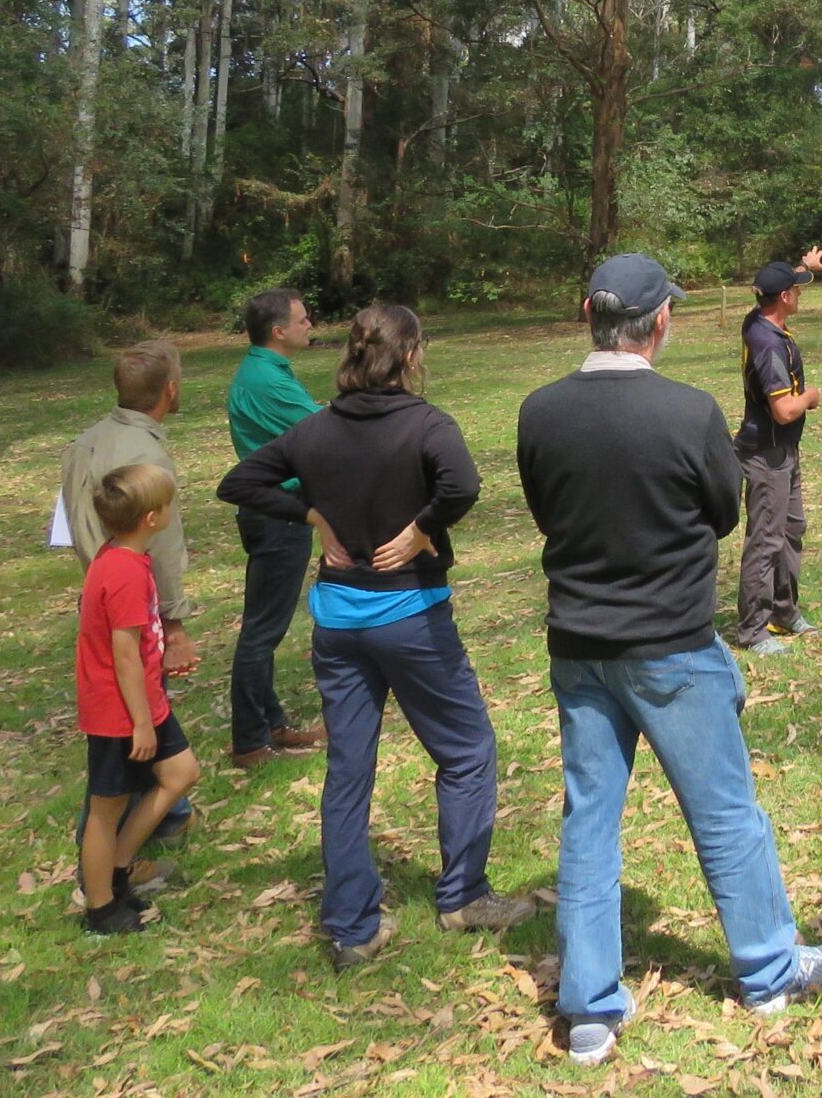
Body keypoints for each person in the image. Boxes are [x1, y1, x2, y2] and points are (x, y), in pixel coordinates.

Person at [516, 254, 822, 1067]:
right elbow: (722, 511)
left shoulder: (540, 411)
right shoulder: (687, 411)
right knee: (727, 811)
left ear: (588, 316)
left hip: (580, 647)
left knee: (589, 819)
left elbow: (545, 507)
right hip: (670, 645)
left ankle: (589, 1005)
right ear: (659, 321)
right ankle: (770, 970)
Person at [218, 305, 531, 971]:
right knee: (467, 749)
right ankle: (464, 895)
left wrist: (311, 513)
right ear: (410, 353)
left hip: (338, 625)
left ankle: (352, 926)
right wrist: (421, 528)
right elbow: (464, 484)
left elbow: (241, 481)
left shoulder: (313, 431)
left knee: (349, 769)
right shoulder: (427, 425)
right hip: (411, 620)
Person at [61, 340, 199, 862]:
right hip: (131, 610)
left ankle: (160, 823)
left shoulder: (86, 441)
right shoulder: (147, 459)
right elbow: (161, 550)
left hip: (100, 596)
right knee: (124, 739)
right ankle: (110, 861)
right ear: (169, 389)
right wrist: (176, 626)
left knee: (130, 730)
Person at [75, 463, 204, 935]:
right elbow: (123, 654)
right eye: (169, 502)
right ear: (151, 517)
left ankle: (118, 866)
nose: (172, 508)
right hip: (121, 713)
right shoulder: (123, 570)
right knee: (106, 808)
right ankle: (101, 907)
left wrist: (163, 656)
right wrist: (142, 723)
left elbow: (139, 643)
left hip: (144, 701)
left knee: (181, 773)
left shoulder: (121, 557)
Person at [225, 288, 329, 770]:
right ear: (278, 331)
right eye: (304, 321)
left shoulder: (267, 373)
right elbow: (322, 430)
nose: (311, 326)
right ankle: (249, 741)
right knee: (262, 631)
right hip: (276, 512)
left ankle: (271, 723)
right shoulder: (266, 380)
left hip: (274, 509)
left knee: (265, 626)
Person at [731, 247, 822, 654]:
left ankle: (783, 612)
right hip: (767, 454)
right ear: (785, 297)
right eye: (797, 289)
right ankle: (753, 630)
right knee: (767, 540)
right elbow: (785, 409)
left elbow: (781, 280)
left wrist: (805, 267)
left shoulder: (758, 318)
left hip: (782, 451)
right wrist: (809, 396)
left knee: (791, 531)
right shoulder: (769, 345)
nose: (800, 294)